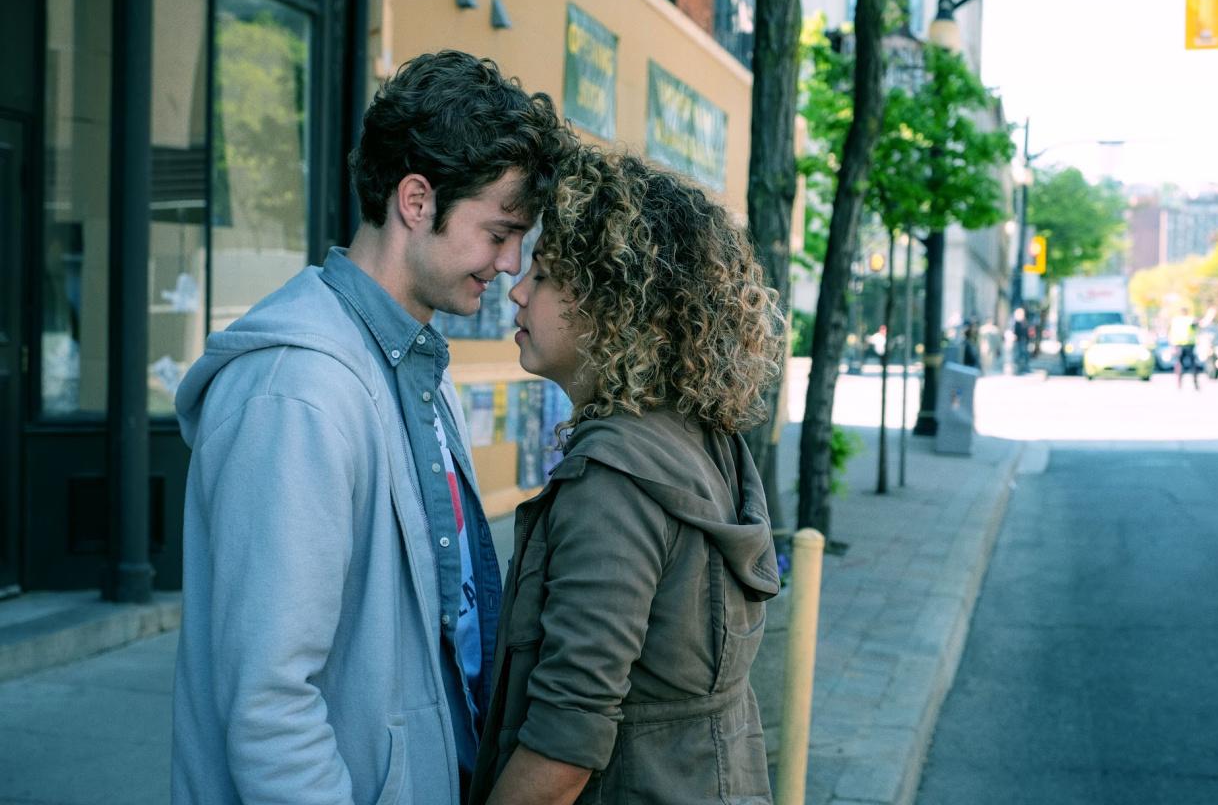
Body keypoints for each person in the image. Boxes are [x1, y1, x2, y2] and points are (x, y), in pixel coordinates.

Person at [171, 51, 573, 804]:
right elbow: (270, 706)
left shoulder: (416, 364)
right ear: (417, 201)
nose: (513, 264)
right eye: (499, 232)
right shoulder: (298, 392)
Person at [470, 149, 784, 804]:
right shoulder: (703, 437)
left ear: (612, 305)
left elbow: (562, 748)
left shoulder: (613, 481)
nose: (518, 289)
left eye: (546, 274)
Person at [1169, 306, 1200, 390]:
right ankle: (1195, 383)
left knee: (1179, 364)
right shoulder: (1190, 319)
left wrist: (1172, 346)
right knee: (1193, 365)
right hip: (1189, 345)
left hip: (1178, 345)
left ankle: (1179, 384)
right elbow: (1198, 324)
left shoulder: (1175, 320)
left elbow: (1172, 333)